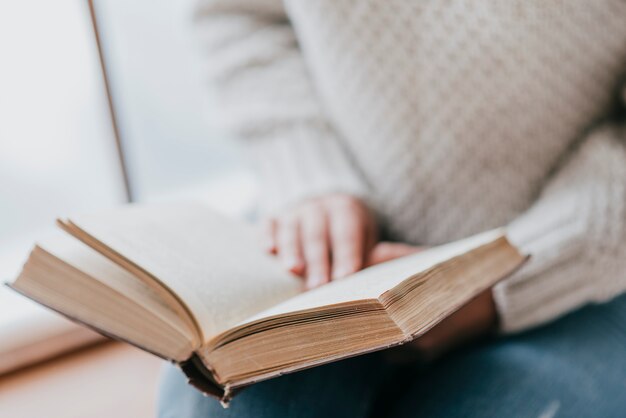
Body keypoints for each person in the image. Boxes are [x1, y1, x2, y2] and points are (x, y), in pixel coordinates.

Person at [159, 1, 626, 417]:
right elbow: (241, 17)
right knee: (219, 405)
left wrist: (514, 276)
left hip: (584, 267)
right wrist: (308, 172)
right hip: (332, 248)